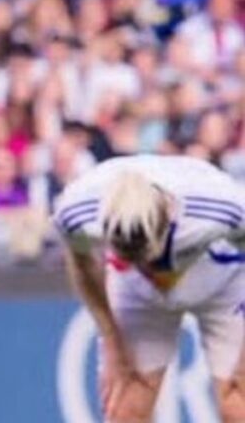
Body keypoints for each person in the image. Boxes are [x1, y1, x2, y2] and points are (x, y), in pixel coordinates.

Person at [52, 155, 245, 423]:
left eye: (144, 255)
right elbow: (84, 268)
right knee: (126, 404)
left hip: (223, 275)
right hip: (135, 286)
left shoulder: (221, 208)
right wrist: (112, 340)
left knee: (238, 403)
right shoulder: (77, 213)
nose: (141, 263)